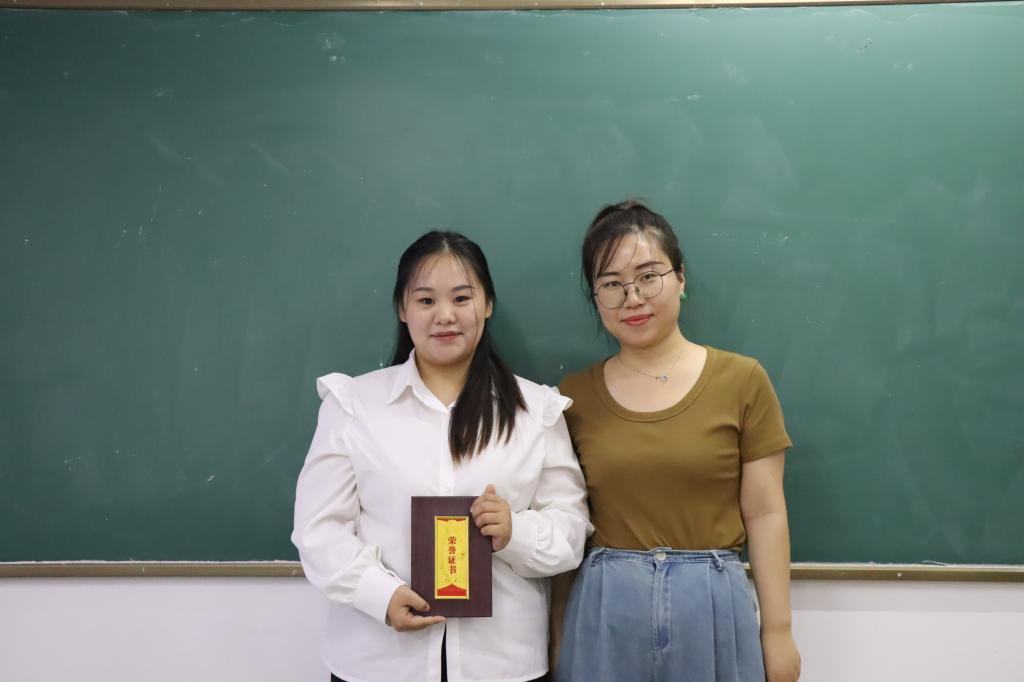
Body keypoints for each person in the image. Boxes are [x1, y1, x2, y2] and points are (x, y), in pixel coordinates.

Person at [292, 230, 591, 682]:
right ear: (402, 308)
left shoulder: (536, 411)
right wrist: (379, 595)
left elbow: (571, 528)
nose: (445, 316)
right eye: (426, 300)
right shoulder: (353, 405)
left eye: (461, 298)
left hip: (502, 663)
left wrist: (516, 532)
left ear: (487, 304)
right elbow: (318, 529)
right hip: (379, 660)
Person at [552, 201, 801, 682]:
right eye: (611, 284)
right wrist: (557, 630)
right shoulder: (571, 397)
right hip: (605, 613)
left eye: (649, 276)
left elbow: (766, 513)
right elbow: (567, 526)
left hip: (712, 608)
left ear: (681, 278)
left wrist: (778, 630)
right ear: (595, 297)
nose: (633, 298)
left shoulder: (742, 381)